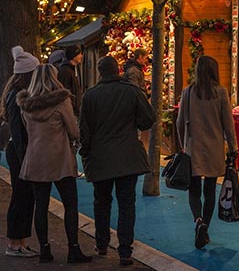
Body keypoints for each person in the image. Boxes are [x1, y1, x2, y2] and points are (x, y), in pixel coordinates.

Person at [79, 56, 155, 266]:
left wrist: (85, 153)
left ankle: (102, 243)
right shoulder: (131, 92)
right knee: (126, 203)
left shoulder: (90, 96)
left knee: (101, 202)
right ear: (118, 70)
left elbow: (84, 128)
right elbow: (148, 118)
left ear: (100, 72)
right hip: (127, 156)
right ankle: (125, 250)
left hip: (100, 157)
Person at [17, 64, 91, 263]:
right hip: (60, 160)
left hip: (35, 160)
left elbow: (27, 131)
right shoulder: (61, 101)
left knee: (40, 206)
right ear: (53, 78)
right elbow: (74, 131)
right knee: (70, 204)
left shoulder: (26, 105)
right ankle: (73, 249)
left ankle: (45, 250)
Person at [175, 55, 237, 250]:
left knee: (193, 190)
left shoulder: (188, 92)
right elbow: (228, 124)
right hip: (214, 147)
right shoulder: (220, 92)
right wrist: (233, 148)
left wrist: (183, 144)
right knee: (210, 191)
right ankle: (206, 228)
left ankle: (198, 221)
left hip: (193, 147)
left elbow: (179, 121)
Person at [2, 46, 38, 257]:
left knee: (22, 196)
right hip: (20, 152)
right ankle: (15, 243)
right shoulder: (18, 97)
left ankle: (19, 241)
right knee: (22, 196)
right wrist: (26, 156)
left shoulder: (13, 93)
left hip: (17, 151)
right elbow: (17, 129)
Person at [56, 45, 83, 117]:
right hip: (70, 111)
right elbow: (64, 90)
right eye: (79, 54)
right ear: (74, 56)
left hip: (74, 110)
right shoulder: (66, 71)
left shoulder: (73, 69)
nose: (81, 56)